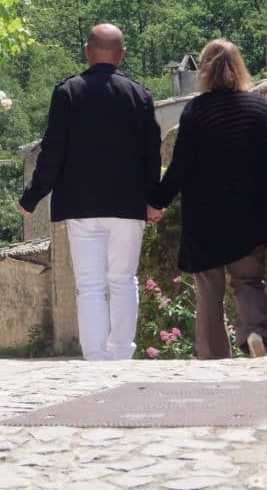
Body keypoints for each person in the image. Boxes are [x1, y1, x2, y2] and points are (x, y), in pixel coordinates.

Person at [18, 23, 162, 360]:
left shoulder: (68, 92)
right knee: (124, 280)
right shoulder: (140, 96)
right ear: (122, 55)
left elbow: (52, 151)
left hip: (80, 206)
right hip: (128, 206)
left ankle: (96, 356)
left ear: (86, 52)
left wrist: (32, 196)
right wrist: (153, 200)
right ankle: (121, 353)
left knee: (90, 287)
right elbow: (152, 152)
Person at [147, 38, 267, 360]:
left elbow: (180, 169)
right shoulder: (258, 108)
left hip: (205, 221)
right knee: (248, 281)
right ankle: (254, 333)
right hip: (248, 217)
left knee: (209, 292)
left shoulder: (196, 112)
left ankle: (212, 357)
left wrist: (157, 201)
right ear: (239, 67)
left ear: (205, 71)